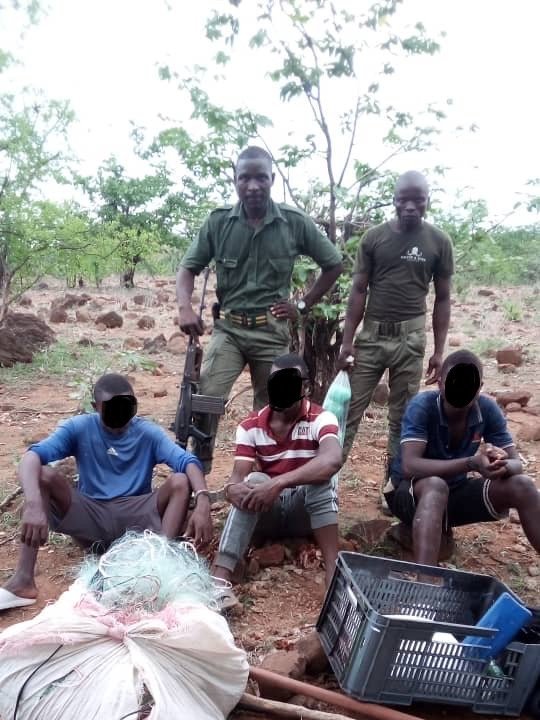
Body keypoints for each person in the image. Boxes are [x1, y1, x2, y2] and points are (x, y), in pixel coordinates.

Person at [176, 144, 343, 472]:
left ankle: (264, 475)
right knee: (207, 393)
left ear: (272, 180)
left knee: (275, 404)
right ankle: (200, 466)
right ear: (235, 181)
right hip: (230, 329)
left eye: (261, 178)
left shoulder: (293, 223)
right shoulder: (219, 222)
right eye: (244, 178)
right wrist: (184, 307)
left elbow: (333, 263)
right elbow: (187, 269)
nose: (253, 186)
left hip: (271, 330)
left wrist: (302, 304)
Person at [0, 373, 212, 611]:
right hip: (92, 515)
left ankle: (156, 566)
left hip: (136, 518)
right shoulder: (79, 427)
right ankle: (23, 580)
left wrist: (203, 499)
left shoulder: (146, 432)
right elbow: (32, 456)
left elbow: (187, 461)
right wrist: (33, 505)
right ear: (95, 407)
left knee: (180, 481)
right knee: (42, 476)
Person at [338, 171, 454, 480]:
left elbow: (443, 298)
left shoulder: (439, 241)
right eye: (404, 200)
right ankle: (326, 482)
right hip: (372, 338)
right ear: (394, 201)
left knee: (403, 418)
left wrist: (439, 352)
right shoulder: (374, 238)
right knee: (348, 410)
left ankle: (395, 487)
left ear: (428, 201)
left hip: (411, 341)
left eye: (419, 200)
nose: (411, 207)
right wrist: (347, 341)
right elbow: (359, 290)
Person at [384, 350, 540, 565]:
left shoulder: (487, 409)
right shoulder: (423, 406)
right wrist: (471, 463)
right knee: (435, 486)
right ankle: (425, 582)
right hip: (408, 494)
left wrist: (500, 463)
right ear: (440, 383)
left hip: (453, 495)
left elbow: (516, 464)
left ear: (480, 387)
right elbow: (410, 466)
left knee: (522, 485)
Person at [211, 354, 342, 604]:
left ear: (306, 388)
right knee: (255, 480)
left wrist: (279, 482)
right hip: (266, 511)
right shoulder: (250, 426)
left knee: (321, 480)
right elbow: (237, 477)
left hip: (304, 512)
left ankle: (333, 573)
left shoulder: (321, 418)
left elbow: (332, 460)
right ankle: (220, 580)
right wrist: (232, 491)